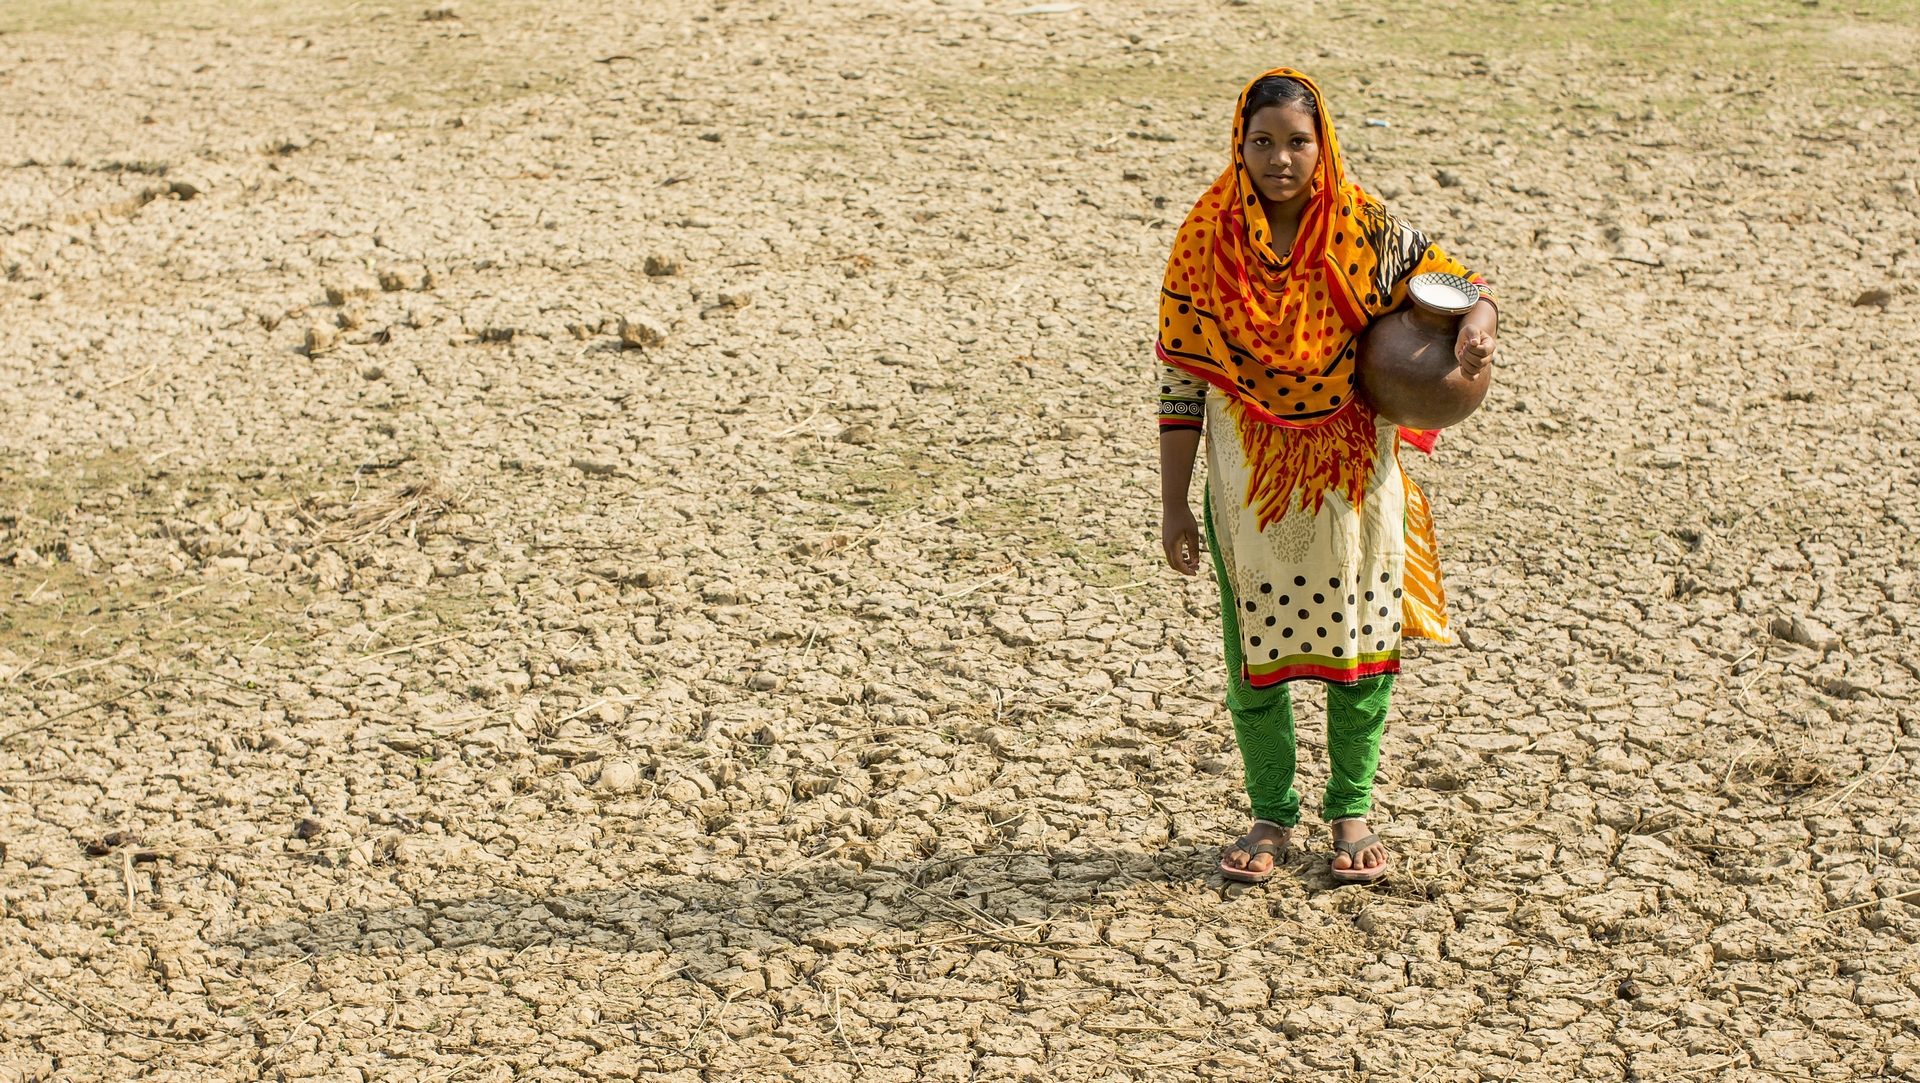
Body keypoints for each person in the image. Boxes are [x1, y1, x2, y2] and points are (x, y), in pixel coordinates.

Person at [1156, 69, 1498, 884]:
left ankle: (1352, 811)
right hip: (1248, 477)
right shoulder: (1205, 241)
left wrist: (1479, 326)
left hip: (1350, 472)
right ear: (1239, 145)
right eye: (1263, 141)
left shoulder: (1364, 226)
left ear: (1325, 144)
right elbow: (1179, 385)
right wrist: (1175, 506)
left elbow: (1464, 286)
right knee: (1253, 657)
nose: (1281, 158)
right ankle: (1270, 813)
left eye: (1298, 142)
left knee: (1363, 648)